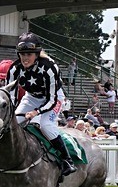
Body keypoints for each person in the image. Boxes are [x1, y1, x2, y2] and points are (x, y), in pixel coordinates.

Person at [6, 32, 76, 176]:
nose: (25, 58)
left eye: (29, 54)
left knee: (46, 125)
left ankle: (67, 159)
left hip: (53, 98)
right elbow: (10, 96)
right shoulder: (14, 69)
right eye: (22, 54)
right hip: (31, 97)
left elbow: (51, 100)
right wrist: (11, 112)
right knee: (13, 124)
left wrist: (35, 112)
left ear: (37, 54)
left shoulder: (50, 68)